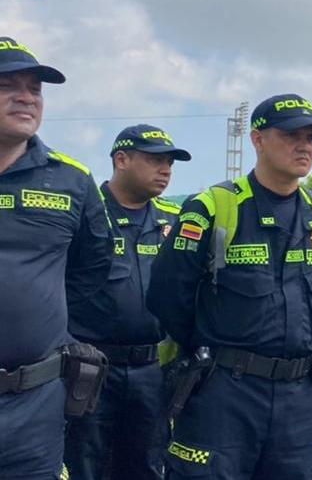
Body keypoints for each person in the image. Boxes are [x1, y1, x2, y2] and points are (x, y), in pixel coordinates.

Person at [149, 94, 312, 479]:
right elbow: (167, 295)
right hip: (225, 390)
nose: (304, 146)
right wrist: (212, 347)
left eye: (310, 138)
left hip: (300, 395)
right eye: (291, 135)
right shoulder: (214, 206)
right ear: (257, 139)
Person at [0, 38, 113, 479]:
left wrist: (43, 316)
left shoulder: (72, 180)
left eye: (35, 88)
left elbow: (92, 267)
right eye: (8, 85)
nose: (26, 97)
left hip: (34, 402)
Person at [65, 125, 190, 480]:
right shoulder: (87, 213)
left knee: (146, 464)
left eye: (170, 162)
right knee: (84, 463)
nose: (165, 170)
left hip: (150, 368)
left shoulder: (173, 219)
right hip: (89, 366)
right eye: (155, 160)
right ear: (121, 160)